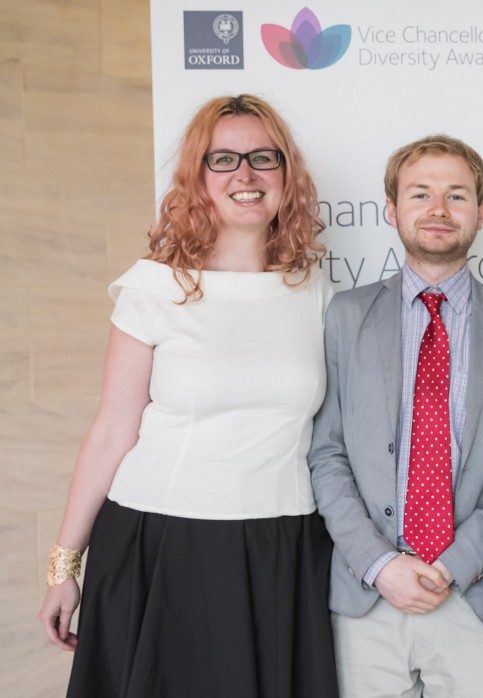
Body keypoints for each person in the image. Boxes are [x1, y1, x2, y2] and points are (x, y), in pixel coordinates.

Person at [36, 94, 337, 696]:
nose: (245, 175)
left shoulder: (317, 294)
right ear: (197, 179)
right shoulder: (153, 288)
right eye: (222, 159)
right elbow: (111, 434)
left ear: (287, 176)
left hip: (282, 547)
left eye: (262, 158)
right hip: (161, 543)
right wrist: (64, 567)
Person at [307, 134, 483, 697]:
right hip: (366, 597)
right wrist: (379, 563)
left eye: (456, 196)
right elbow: (326, 453)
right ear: (392, 209)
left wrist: (455, 562)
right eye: (420, 194)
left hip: (476, 594)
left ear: (482, 213)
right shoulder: (345, 317)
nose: (438, 210)